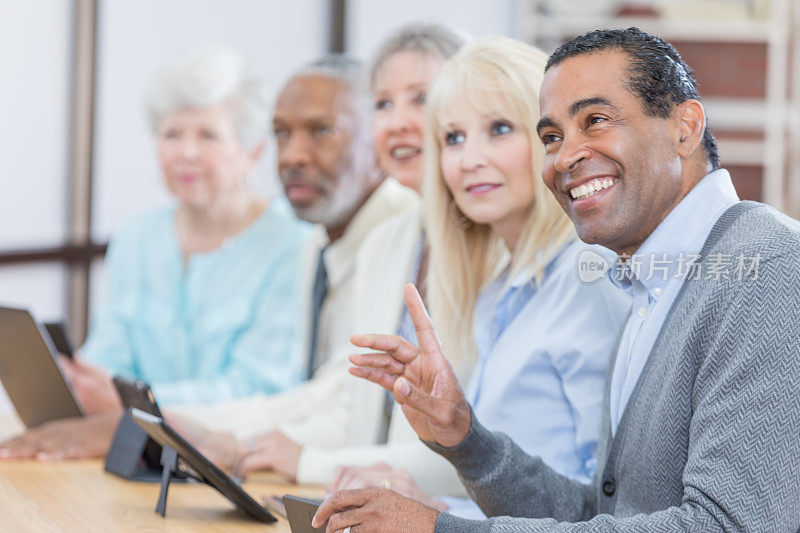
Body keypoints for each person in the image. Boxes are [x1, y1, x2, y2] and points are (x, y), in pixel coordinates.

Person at [314, 28, 800, 532]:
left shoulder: (768, 267)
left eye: (595, 121)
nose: (566, 157)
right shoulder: (643, 285)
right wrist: (466, 439)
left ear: (685, 126)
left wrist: (442, 529)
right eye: (552, 137)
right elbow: (603, 517)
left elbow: (731, 525)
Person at [302, 35, 628, 520]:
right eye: (453, 138)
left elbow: (605, 506)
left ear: (551, 140)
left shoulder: (590, 277)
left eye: (498, 128)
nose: (469, 158)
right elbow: (514, 493)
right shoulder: (500, 293)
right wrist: (436, 507)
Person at [0, 45, 314, 460]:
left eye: (207, 135)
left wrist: (135, 402)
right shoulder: (136, 237)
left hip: (234, 459)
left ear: (252, 152)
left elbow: (258, 388)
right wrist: (80, 380)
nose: (186, 152)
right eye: (172, 134)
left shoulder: (295, 245)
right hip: (131, 450)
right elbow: (109, 355)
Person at [163, 52, 419, 467]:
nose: (293, 156)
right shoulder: (314, 242)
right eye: (282, 134)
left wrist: (216, 433)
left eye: (322, 131)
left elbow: (348, 412)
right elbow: (319, 395)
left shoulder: (404, 238)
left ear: (379, 139)